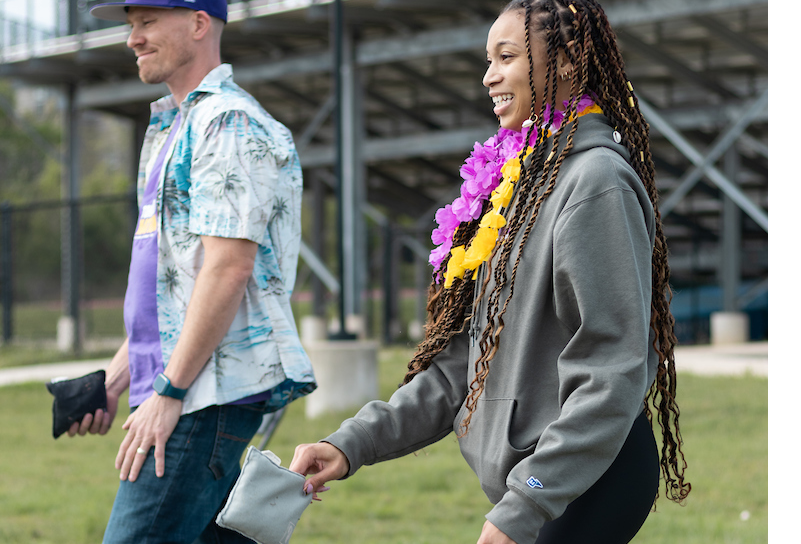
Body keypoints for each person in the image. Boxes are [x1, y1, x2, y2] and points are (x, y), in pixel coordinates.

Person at [289, 1, 690, 543]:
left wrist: (524, 503)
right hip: (540, 479)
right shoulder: (519, 183)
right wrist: (350, 443)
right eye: (488, 59)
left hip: (587, 477)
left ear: (568, 61)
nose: (488, 76)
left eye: (507, 57)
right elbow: (463, 366)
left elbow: (610, 371)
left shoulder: (595, 183)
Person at [68, 1, 316, 542]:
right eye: (131, 24)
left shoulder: (229, 123)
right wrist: (113, 382)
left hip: (203, 396)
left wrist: (169, 391)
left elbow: (228, 269)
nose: (132, 38)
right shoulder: (176, 125)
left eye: (147, 22)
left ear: (199, 23)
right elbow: (176, 284)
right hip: (187, 386)